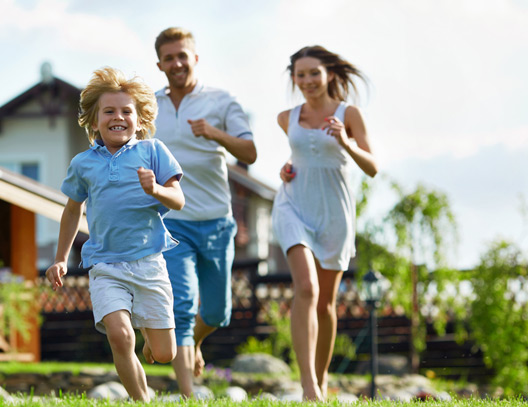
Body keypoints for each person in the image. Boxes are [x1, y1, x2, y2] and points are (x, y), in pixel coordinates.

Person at [45, 67, 184, 402]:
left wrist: (156, 190)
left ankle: (153, 338)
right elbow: (72, 210)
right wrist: (61, 258)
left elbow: (178, 200)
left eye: (126, 111)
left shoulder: (153, 150)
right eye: (109, 111)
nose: (118, 117)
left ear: (139, 119)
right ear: (94, 121)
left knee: (165, 354)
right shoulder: (83, 164)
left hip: (149, 262)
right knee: (120, 337)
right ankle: (142, 399)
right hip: (105, 264)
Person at [153, 27, 257, 397]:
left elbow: (249, 153)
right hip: (171, 221)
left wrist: (215, 134)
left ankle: (194, 343)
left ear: (195, 58)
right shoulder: (150, 106)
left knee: (216, 313)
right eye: (169, 57)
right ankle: (187, 395)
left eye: (183, 55)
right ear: (160, 63)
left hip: (215, 221)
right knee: (181, 305)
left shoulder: (221, 101)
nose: (177, 63)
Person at [271, 45, 378, 401]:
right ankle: (308, 387)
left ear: (329, 74)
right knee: (306, 288)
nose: (307, 81)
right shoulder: (287, 117)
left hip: (334, 212)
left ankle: (321, 377)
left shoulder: (349, 114)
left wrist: (345, 141)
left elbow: (372, 167)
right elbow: (299, 155)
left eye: (313, 73)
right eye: (300, 75)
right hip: (294, 206)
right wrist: (285, 168)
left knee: (325, 303)